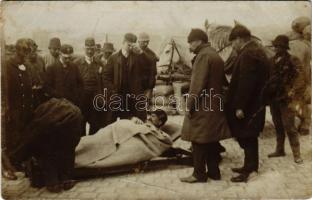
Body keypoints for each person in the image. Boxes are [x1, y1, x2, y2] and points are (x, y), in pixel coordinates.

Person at [179, 29, 231, 183]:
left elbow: (197, 85)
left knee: (198, 138)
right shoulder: (215, 55)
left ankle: (199, 174)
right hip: (215, 103)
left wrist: (189, 106)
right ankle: (214, 172)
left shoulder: (202, 57)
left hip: (203, 105)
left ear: (199, 41)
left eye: (191, 42)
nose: (189, 45)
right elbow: (223, 83)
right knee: (212, 138)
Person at [226, 25, 270, 182]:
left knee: (247, 136)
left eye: (233, 43)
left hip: (248, 106)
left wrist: (239, 106)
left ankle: (250, 170)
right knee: (249, 135)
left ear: (239, 39)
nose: (233, 46)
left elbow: (247, 82)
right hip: (256, 103)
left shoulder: (248, 54)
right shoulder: (256, 50)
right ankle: (249, 166)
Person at [75, 109, 171, 168]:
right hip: (113, 131)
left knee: (93, 146)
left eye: (153, 117)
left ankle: (75, 156)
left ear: (159, 122)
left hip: (120, 137)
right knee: (91, 141)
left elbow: (161, 139)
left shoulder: (159, 134)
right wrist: (133, 120)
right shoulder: (143, 123)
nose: (149, 118)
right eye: (150, 115)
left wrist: (144, 127)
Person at [267, 35, 305, 164]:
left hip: (287, 99)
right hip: (274, 98)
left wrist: (292, 90)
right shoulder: (271, 61)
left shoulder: (293, 60)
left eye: (279, 46)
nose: (276, 48)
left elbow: (301, 78)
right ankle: (280, 149)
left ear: (285, 48)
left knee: (289, 126)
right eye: (275, 46)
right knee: (277, 124)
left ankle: (297, 154)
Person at [2, 38, 34, 180]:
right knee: (10, 139)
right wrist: (6, 109)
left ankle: (18, 163)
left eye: (27, 52)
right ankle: (7, 168)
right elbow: (4, 90)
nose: (25, 55)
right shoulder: (8, 66)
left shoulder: (26, 67)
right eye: (23, 52)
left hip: (25, 109)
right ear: (17, 50)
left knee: (22, 137)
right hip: (13, 109)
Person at [103, 33, 150, 121]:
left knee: (133, 122)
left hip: (132, 96)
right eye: (129, 45)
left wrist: (141, 53)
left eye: (132, 45)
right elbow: (106, 77)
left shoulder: (137, 57)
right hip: (117, 95)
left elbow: (148, 65)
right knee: (111, 122)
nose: (130, 48)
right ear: (123, 42)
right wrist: (112, 91)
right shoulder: (113, 58)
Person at [75, 38, 110, 135]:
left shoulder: (100, 64)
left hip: (96, 100)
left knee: (95, 125)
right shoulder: (77, 64)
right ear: (84, 49)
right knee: (80, 125)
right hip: (82, 100)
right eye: (87, 49)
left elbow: (104, 82)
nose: (90, 51)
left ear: (95, 49)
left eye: (92, 49)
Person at [138, 32, 159, 102]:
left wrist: (150, 88)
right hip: (135, 84)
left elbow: (153, 72)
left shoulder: (151, 54)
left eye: (147, 42)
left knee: (145, 104)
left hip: (146, 84)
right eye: (143, 42)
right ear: (138, 41)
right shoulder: (134, 52)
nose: (146, 44)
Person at [25, 39, 46, 107]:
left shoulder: (40, 59)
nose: (33, 53)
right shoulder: (23, 62)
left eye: (35, 50)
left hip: (41, 91)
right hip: (29, 93)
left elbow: (44, 74)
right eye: (31, 51)